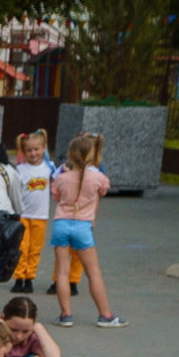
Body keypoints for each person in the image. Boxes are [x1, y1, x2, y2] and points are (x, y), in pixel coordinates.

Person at [47, 134, 119, 326]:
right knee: (93, 273)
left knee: (62, 271)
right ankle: (105, 315)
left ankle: (65, 315)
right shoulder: (98, 178)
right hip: (82, 226)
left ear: (70, 156)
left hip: (61, 224)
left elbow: (56, 195)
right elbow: (103, 190)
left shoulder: (61, 178)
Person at [6, 129, 55, 299]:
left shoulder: (50, 168)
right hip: (23, 216)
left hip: (41, 216)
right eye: (29, 150)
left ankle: (30, 279)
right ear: (23, 151)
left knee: (35, 249)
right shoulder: (20, 169)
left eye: (37, 149)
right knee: (21, 248)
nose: (33, 153)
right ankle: (19, 278)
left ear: (44, 148)